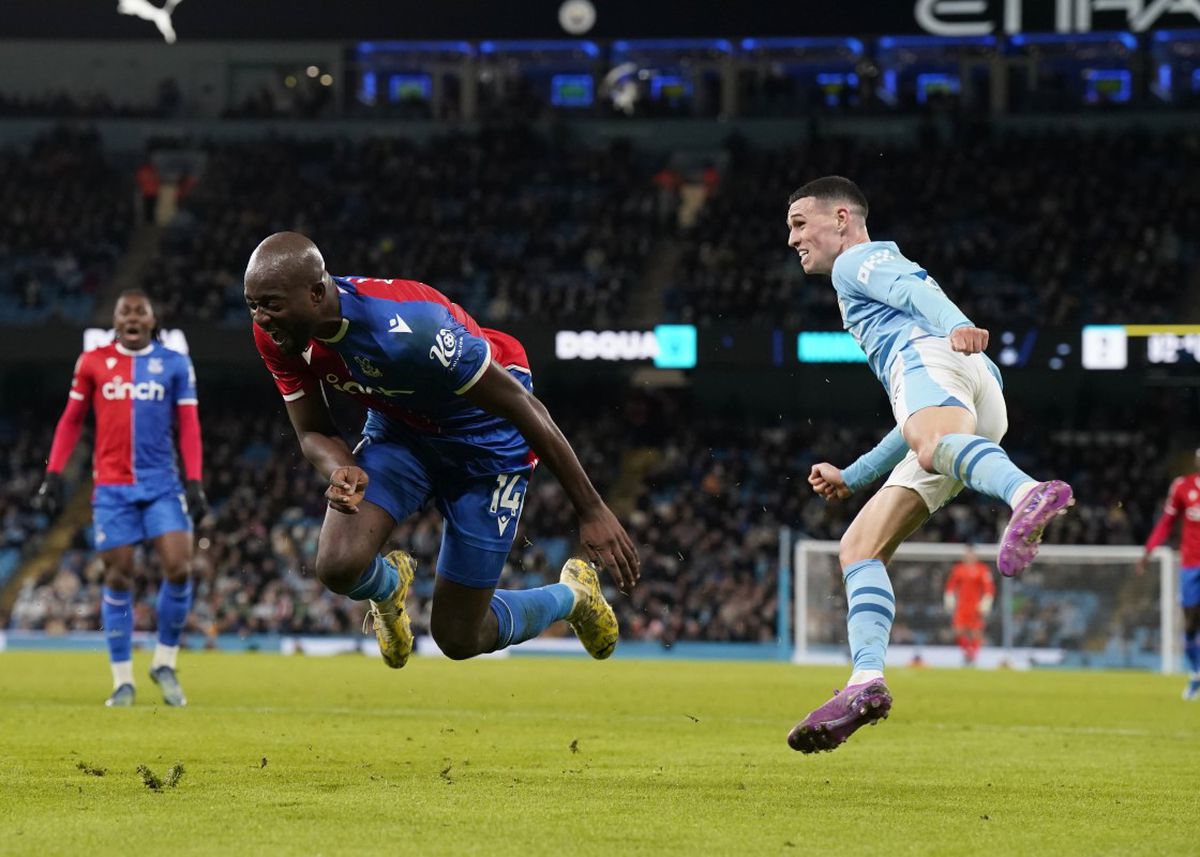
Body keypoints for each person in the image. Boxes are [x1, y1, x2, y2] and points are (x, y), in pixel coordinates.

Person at [243, 232, 638, 669]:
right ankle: (388, 588)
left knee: (459, 637)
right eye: (253, 305)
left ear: (316, 293)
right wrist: (340, 468)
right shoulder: (277, 334)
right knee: (337, 565)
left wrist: (590, 508)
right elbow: (313, 430)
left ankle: (574, 596)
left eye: (271, 305)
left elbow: (523, 408)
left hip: (487, 438)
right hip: (402, 428)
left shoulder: (408, 331)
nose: (260, 318)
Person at [782, 176, 1073, 753]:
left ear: (841, 218)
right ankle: (865, 682)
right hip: (973, 397)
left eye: (798, 223)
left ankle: (1025, 493)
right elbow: (915, 429)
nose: (790, 238)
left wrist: (954, 323)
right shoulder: (870, 275)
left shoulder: (856, 262)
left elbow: (916, 293)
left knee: (930, 441)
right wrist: (855, 475)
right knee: (859, 546)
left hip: (938, 355)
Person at [34, 289, 207, 707]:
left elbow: (188, 426)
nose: (131, 316)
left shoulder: (174, 363)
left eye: (139, 311)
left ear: (152, 320)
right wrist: (53, 474)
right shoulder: (92, 362)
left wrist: (195, 481)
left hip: (162, 484)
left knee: (179, 568)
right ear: (115, 321)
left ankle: (164, 661)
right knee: (117, 577)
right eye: (124, 311)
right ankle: (122, 681)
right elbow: (71, 420)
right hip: (111, 488)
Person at [1137, 449, 1200, 700]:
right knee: (1191, 623)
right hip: (1191, 565)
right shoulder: (1182, 487)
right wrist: (1148, 551)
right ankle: (1196, 674)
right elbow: (1166, 521)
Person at [944, 545, 995, 666]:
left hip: (975, 606)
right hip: (962, 606)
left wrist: (986, 601)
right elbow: (951, 586)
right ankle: (967, 652)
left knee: (975, 632)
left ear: (975, 556)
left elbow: (989, 587)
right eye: (967, 555)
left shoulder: (982, 569)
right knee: (958, 631)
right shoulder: (958, 569)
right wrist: (949, 597)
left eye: (971, 554)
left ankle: (974, 655)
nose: (968, 557)